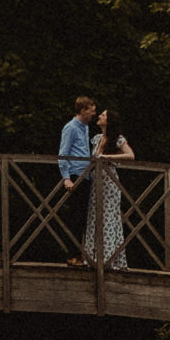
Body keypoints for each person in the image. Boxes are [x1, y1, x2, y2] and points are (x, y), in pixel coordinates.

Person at [81, 109, 132, 271]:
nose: (99, 116)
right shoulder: (96, 139)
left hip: (109, 183)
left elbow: (130, 155)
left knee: (109, 218)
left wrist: (108, 158)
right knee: (94, 216)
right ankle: (93, 257)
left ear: (109, 121)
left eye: (103, 115)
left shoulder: (117, 139)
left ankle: (108, 259)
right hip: (96, 183)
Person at [58, 96, 97, 264]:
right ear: (82, 111)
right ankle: (71, 254)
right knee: (75, 215)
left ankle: (78, 253)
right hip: (75, 175)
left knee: (82, 216)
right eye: (91, 111)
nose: (93, 115)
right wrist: (66, 178)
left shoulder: (85, 127)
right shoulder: (71, 128)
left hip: (85, 175)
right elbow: (63, 153)